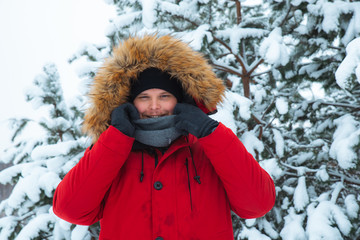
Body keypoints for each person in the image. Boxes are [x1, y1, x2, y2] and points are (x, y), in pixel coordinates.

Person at [53, 34, 276, 240]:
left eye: (164, 96)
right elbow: (70, 210)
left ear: (179, 99)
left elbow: (257, 204)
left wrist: (211, 134)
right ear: (131, 102)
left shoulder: (208, 149)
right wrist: (115, 139)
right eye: (144, 97)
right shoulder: (111, 151)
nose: (154, 106)